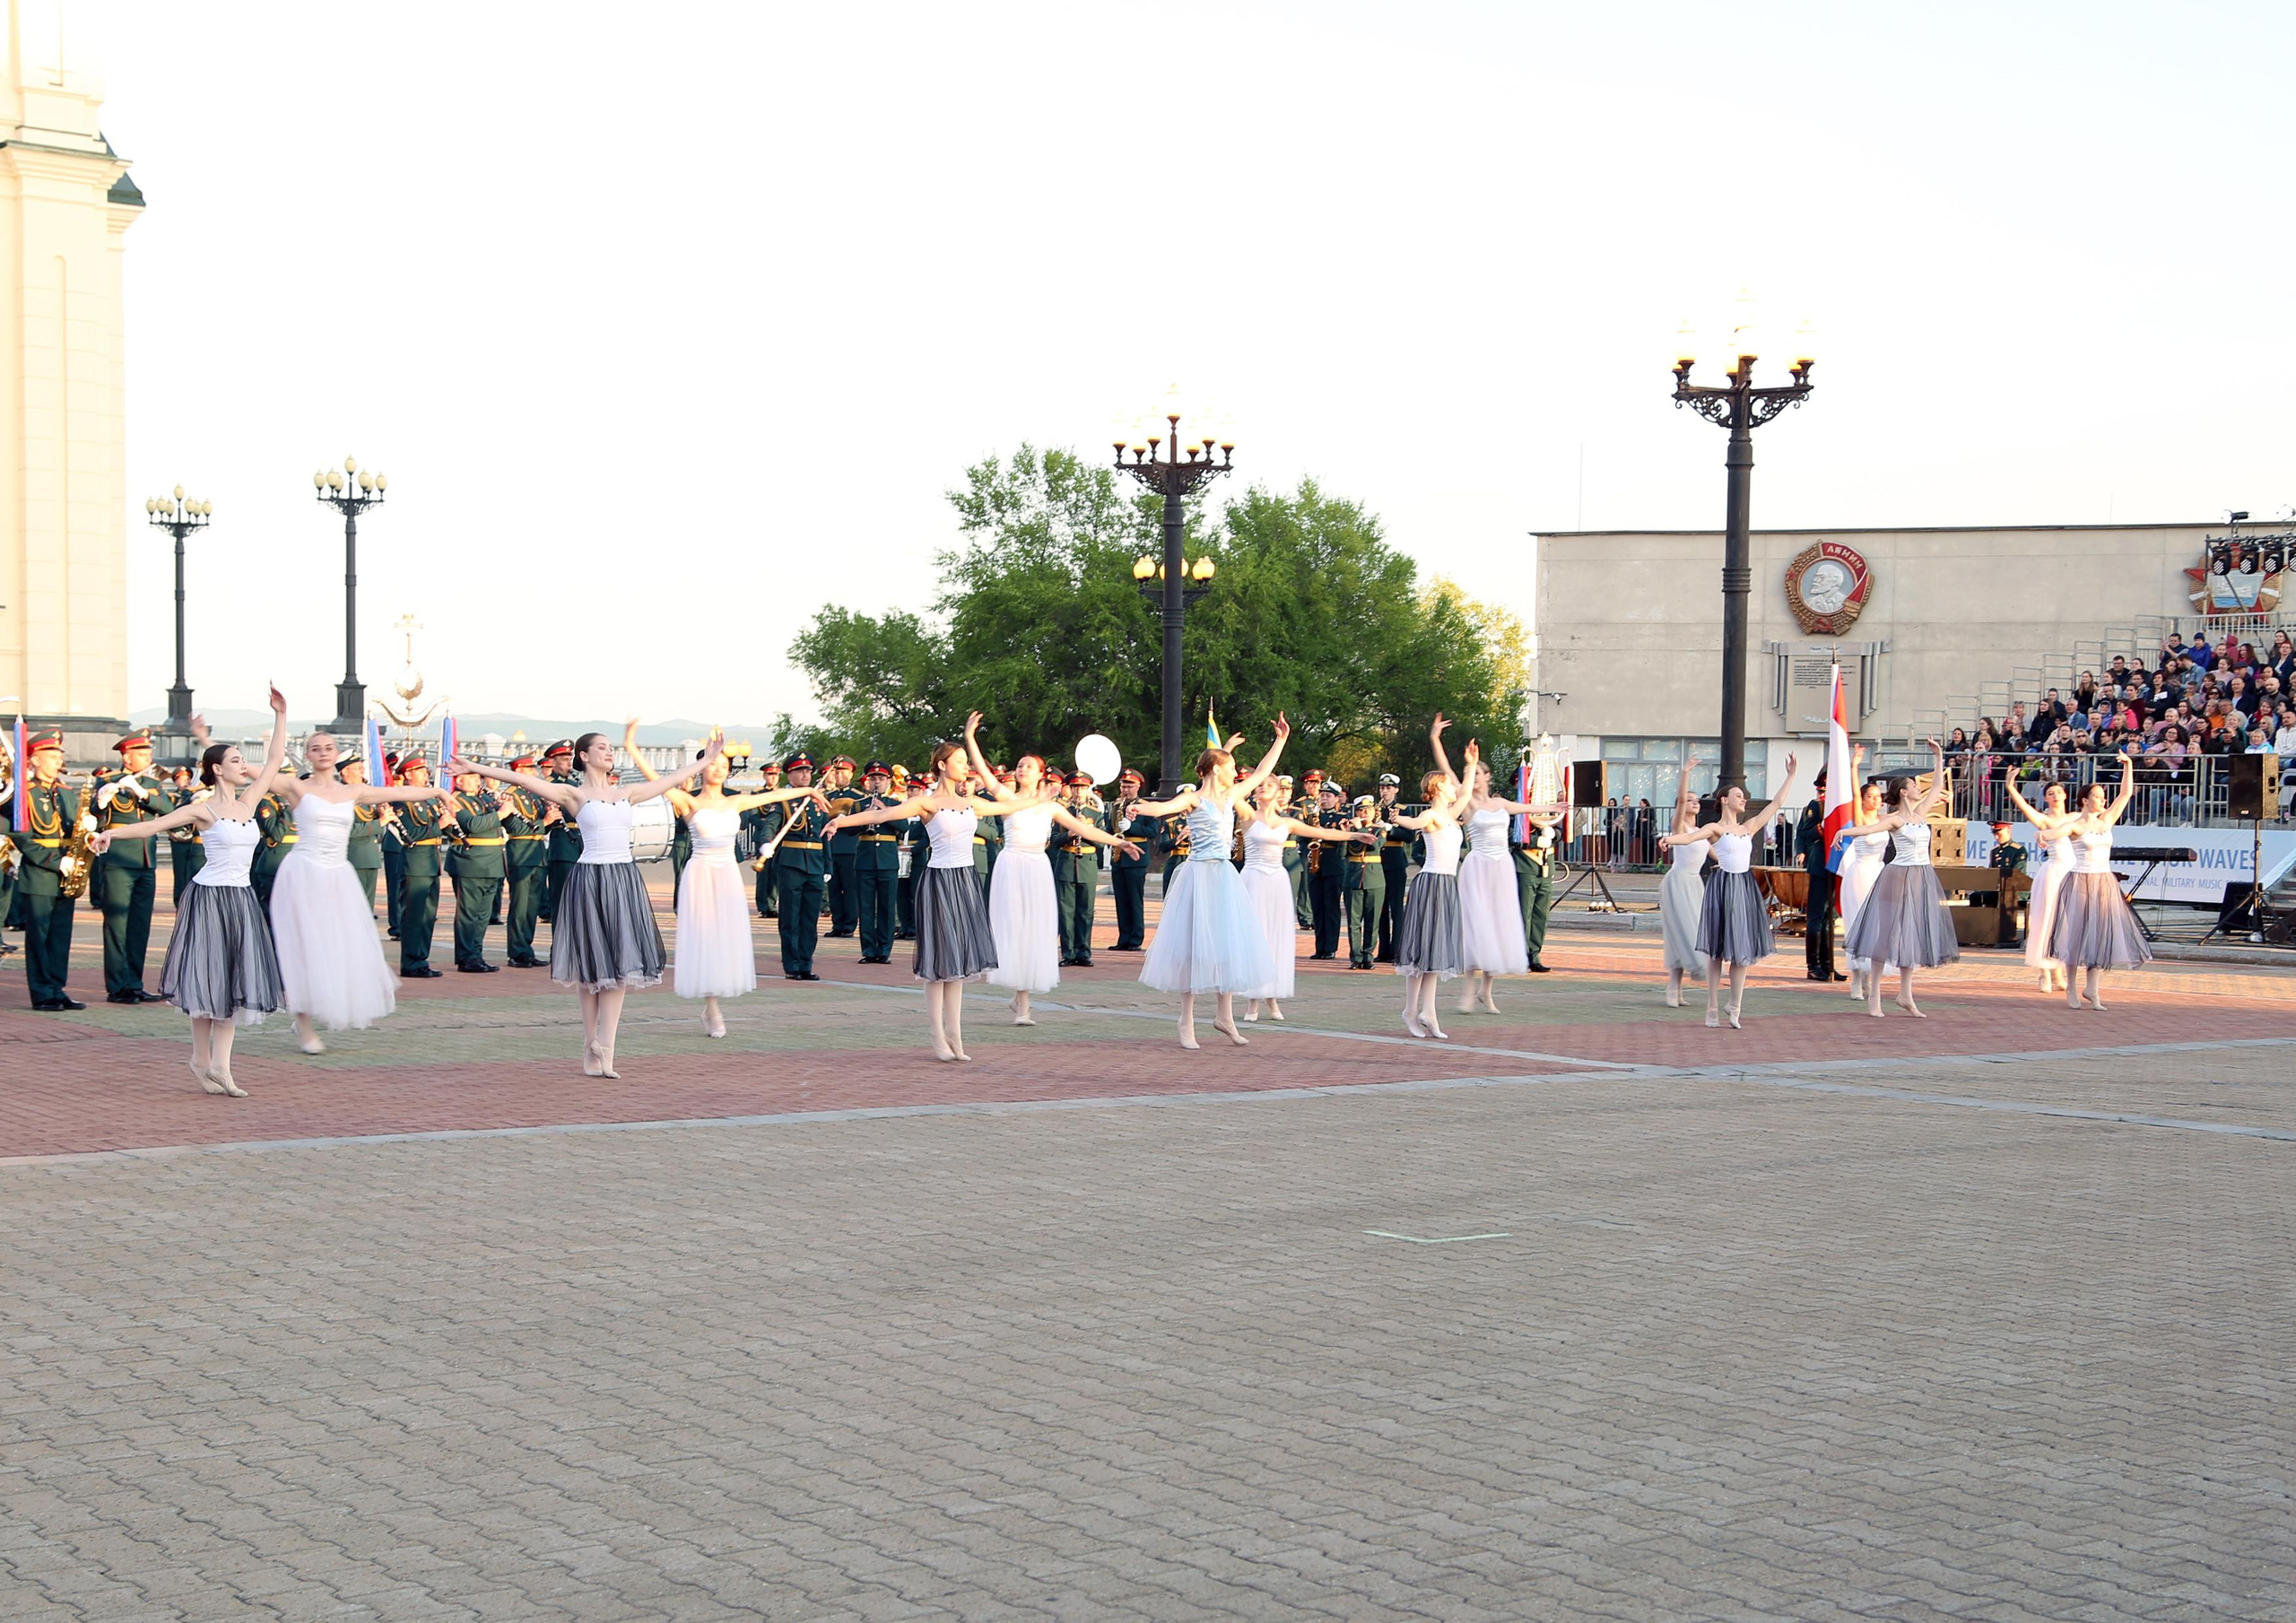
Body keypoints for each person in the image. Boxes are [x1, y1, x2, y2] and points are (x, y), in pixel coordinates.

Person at [449, 731, 722, 1077]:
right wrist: (472, 765)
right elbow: (521, 778)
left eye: (611, 748)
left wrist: (705, 760)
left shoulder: (627, 792)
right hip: (589, 879)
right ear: (584, 756)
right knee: (591, 969)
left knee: (620, 967)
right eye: (602, 748)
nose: (609, 753)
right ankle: (590, 1044)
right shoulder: (573, 794)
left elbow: (671, 779)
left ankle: (606, 1050)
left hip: (623, 879)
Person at [87, 687, 292, 1095]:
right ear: (217, 769)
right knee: (207, 978)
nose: (242, 765)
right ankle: (203, 1060)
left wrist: (281, 715)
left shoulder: (250, 802)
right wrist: (112, 831)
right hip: (209, 898)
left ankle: (221, 1066)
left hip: (241, 899)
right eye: (235, 760)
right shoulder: (203, 809)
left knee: (235, 979)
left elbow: (273, 760)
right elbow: (154, 826)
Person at [826, 730, 1013, 1060]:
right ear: (942, 765)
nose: (964, 766)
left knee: (960, 960)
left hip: (966, 880)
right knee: (938, 960)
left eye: (965, 761)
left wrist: (1043, 800)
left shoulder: (971, 802)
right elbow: (880, 815)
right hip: (939, 880)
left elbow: (1013, 804)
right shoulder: (926, 802)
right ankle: (936, 1034)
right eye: (958, 761)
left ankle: (955, 1033)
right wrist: (841, 822)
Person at [267, 728, 448, 1052]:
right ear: (308, 755)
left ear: (336, 754)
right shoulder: (296, 788)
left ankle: (314, 1008)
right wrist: (280, 717)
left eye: (329, 747)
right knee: (305, 947)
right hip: (304, 874)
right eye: (316, 748)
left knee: (340, 945)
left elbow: (397, 794)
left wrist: (436, 791)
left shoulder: (353, 791)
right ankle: (304, 1024)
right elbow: (261, 768)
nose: (323, 752)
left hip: (338, 876)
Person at [1131, 718, 1292, 1048]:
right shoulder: (1193, 798)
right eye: (1231, 766)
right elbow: (1164, 807)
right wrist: (1139, 807)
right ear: (1216, 770)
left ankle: (1225, 1017)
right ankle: (1186, 1021)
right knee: (1193, 948)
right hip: (1198, 876)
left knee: (1228, 944)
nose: (1236, 772)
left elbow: (1262, 772)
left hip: (1223, 877)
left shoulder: (1232, 796)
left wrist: (1280, 741)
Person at [648, 736, 825, 1036]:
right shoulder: (689, 800)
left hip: (728, 873)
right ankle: (712, 1006)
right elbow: (657, 781)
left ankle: (713, 1004)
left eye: (724, 765)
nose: (718, 769)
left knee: (725, 937)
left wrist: (809, 788)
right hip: (701, 873)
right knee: (705, 937)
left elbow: (773, 796)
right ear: (702, 766)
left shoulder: (737, 801)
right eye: (712, 763)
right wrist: (628, 742)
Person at [967, 729, 1139, 1025]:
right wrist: (970, 737)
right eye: (1019, 765)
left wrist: (1119, 842)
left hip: (1037, 866)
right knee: (1014, 927)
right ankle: (1021, 1000)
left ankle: (1023, 1000)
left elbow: (1087, 831)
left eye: (1028, 766)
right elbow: (983, 770)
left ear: (1041, 774)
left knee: (1035, 929)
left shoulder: (1051, 806)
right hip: (1012, 864)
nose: (1021, 769)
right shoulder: (1007, 797)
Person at [1431, 717, 1564, 1012]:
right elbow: (1447, 771)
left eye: (1479, 773)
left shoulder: (1500, 803)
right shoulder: (1466, 802)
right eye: (1471, 773)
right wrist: (1436, 738)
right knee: (1476, 928)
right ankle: (1467, 992)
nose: (1474, 777)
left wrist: (1555, 807)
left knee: (1496, 927)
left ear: (1488, 777)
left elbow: (1528, 808)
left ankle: (1486, 992)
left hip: (1502, 867)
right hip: (1478, 867)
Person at [1662, 753, 1801, 1029]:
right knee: (1716, 951)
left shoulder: (1748, 827)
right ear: (1724, 799)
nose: (1743, 799)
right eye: (1738, 795)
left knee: (1742, 950)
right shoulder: (1714, 828)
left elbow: (1776, 804)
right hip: (1722, 886)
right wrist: (1668, 838)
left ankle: (1734, 1005)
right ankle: (1712, 1006)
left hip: (1744, 887)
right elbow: (1689, 837)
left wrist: (1791, 775)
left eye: (1744, 796)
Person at [1237, 773, 1374, 1022]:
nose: (1263, 788)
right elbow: (1229, 793)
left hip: (1276, 880)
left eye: (1269, 785)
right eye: (1260, 785)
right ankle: (1252, 1001)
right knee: (1255, 937)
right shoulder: (1247, 815)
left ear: (1279, 792)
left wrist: (1355, 835)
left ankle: (1273, 998)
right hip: (1253, 880)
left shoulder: (1287, 822)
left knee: (1275, 938)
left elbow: (1321, 832)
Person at [1843, 742, 1958, 1019]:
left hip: (1920, 876)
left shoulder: (1920, 814)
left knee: (1912, 934)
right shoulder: (1895, 820)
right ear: (1905, 792)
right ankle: (1876, 996)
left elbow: (1934, 787)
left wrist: (1939, 757)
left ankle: (1905, 994)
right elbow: (1870, 827)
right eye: (1914, 786)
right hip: (1897, 875)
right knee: (1886, 935)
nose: (1920, 789)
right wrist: (1843, 834)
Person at [1388, 744, 1482, 1040]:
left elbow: (1466, 793)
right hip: (1431, 883)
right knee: (1421, 951)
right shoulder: (1432, 815)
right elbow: (1414, 823)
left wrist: (1470, 764)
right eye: (1448, 782)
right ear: (1437, 786)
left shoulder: (1451, 815)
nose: (1454, 787)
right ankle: (1411, 1009)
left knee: (1434, 952)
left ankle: (1428, 1011)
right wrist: (1396, 819)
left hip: (1446, 883)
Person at [2046, 753, 2151, 1009]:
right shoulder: (2076, 825)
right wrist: (2044, 834)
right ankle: (2071, 985)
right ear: (2085, 800)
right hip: (2081, 880)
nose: (2103, 801)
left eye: (2103, 797)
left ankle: (2092, 988)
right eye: (2097, 797)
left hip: (2104, 881)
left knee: (2100, 934)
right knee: (2078, 935)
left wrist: (2129, 766)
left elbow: (2125, 795)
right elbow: (2056, 832)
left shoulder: (2106, 821)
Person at [89, 730, 174, 1003]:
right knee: (117, 925)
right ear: (126, 757)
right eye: (142, 754)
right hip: (119, 862)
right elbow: (95, 813)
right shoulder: (108, 781)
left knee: (139, 926)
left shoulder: (151, 783)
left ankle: (135, 982)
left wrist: (142, 793)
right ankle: (118, 987)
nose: (149, 758)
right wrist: (101, 799)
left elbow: (168, 810)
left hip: (145, 862)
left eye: (149, 753)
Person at [14, 727, 89, 1010]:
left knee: (60, 937)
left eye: (60, 754)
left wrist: (90, 837)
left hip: (67, 872)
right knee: (40, 937)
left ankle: (57, 988)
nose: (59, 760)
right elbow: (20, 837)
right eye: (52, 755)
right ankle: (42, 992)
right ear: (33, 759)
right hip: (41, 873)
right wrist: (56, 862)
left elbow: (75, 828)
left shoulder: (67, 792)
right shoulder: (24, 794)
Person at [767, 752, 836, 980]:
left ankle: (806, 963)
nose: (806, 775)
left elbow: (825, 836)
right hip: (791, 863)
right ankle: (792, 965)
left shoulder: (819, 801)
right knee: (790, 916)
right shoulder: (784, 800)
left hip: (815, 865)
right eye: (800, 771)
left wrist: (828, 866)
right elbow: (770, 826)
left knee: (809, 917)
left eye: (808, 771)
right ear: (791, 774)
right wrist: (766, 844)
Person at [2005, 778, 2075, 994]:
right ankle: (2044, 972)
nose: (2055, 795)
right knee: (2046, 921)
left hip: (2072, 871)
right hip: (2054, 872)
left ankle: (2059, 971)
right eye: (2051, 793)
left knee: (2066, 923)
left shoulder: (2075, 818)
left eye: (2059, 792)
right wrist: (2011, 787)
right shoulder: (2044, 820)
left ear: (2065, 795)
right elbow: (2026, 808)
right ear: (2046, 798)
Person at [390, 757, 455, 979]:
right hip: (415, 863)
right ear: (408, 775)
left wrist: (448, 821)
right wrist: (439, 825)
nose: (426, 774)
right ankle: (411, 962)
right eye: (420, 771)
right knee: (414, 916)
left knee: (428, 917)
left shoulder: (428, 801)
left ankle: (421, 959)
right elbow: (410, 836)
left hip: (430, 862)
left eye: (426, 770)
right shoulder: (401, 801)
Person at [1835, 758, 1892, 1002]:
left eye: (1878, 795)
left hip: (1879, 874)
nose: (1875, 799)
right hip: (1859, 875)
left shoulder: (1887, 819)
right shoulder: (1861, 818)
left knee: (1877, 928)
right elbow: (1855, 798)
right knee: (1858, 926)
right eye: (1871, 796)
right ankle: (1857, 980)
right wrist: (1854, 767)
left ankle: (1870, 978)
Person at [443, 765, 508, 974]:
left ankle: (476, 954)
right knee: (468, 914)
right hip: (471, 862)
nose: (476, 780)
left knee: (482, 915)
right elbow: (471, 824)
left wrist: (504, 807)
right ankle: (465, 957)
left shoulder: (484, 798)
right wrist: (500, 814)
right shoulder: (456, 800)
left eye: (477, 777)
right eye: (470, 777)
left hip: (492, 862)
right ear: (459, 781)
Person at [1050, 771, 1111, 967]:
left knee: (1086, 911)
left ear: (1088, 790)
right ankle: (1068, 953)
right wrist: (1069, 833)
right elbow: (1053, 841)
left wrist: (1087, 831)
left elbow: (1102, 844)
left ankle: (1084, 952)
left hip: (1087, 862)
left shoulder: (1096, 813)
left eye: (1083, 788)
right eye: (1075, 787)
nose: (1079, 792)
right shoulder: (1061, 811)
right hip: (1067, 862)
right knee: (1066, 911)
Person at [497, 756, 553, 967]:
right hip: (521, 853)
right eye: (530, 768)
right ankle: (516, 952)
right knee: (520, 905)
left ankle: (526, 949)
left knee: (532, 906)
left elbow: (539, 826)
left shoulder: (533, 794)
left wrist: (549, 817)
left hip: (537, 852)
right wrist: (544, 822)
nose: (535, 771)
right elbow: (516, 827)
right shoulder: (510, 795)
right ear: (519, 770)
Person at [1657, 776, 1708, 1008]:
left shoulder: (1701, 831)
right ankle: (1672, 987)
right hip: (1677, 882)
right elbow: (1678, 804)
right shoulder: (1680, 827)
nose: (1694, 802)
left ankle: (1676, 988)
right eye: (1690, 799)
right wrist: (1686, 773)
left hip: (1695, 883)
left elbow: (1717, 854)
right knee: (1681, 932)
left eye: (1696, 799)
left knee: (1694, 931)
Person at [1795, 769, 1845, 984]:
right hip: (1820, 863)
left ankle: (1828, 965)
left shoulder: (1842, 807)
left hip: (1837, 863)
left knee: (1829, 918)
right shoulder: (1817, 806)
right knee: (1816, 917)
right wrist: (1820, 828)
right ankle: (1813, 966)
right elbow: (1804, 833)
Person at [1109, 769, 1156, 951]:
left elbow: (1151, 832)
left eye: (1129, 786)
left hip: (1136, 858)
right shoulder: (1116, 807)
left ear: (1138, 786)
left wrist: (1133, 827)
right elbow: (1108, 828)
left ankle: (1136, 939)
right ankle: (1124, 938)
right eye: (1123, 786)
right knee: (1121, 900)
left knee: (1135, 900)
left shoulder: (1145, 806)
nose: (1125, 790)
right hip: (1119, 856)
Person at [1305, 777, 1348, 959]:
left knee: (1331, 908)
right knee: (1317, 907)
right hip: (1315, 865)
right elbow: (1302, 836)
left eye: (1328, 796)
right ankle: (1319, 947)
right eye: (1322, 795)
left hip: (1333, 865)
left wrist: (1321, 833)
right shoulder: (1312, 817)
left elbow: (1341, 839)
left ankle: (1330, 947)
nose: (1324, 799)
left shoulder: (1341, 818)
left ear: (1336, 798)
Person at [540, 739, 581, 924]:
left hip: (581, 844)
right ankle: (558, 948)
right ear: (553, 762)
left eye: (570, 758)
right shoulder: (547, 785)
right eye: (564, 759)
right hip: (563, 845)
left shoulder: (575, 784)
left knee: (579, 901)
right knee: (561, 901)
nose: (569, 763)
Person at [822, 756, 863, 937]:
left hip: (850, 847)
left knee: (849, 889)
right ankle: (837, 923)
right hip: (832, 848)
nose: (839, 775)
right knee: (833, 888)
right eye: (837, 771)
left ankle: (849, 925)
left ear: (851, 773)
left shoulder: (858, 798)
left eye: (843, 771)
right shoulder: (828, 797)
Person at [1373, 774, 1413, 962]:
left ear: (1396, 790)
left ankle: (1397, 949)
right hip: (1376, 861)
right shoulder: (1375, 809)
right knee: (1380, 909)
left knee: (1396, 908)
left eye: (1389, 788)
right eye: (1382, 788)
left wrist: (1391, 828)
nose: (1385, 791)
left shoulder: (1404, 810)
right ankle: (1383, 950)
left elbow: (1409, 836)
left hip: (1395, 862)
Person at [340, 757, 387, 912]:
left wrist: (380, 813)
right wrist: (379, 822)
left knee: (366, 909)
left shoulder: (362, 797)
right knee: (352, 908)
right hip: (354, 858)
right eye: (358, 769)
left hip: (369, 859)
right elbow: (347, 830)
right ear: (345, 772)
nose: (362, 772)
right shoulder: (341, 796)